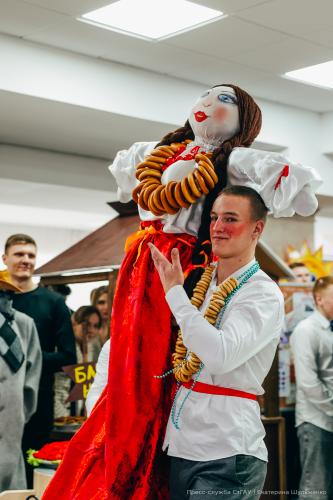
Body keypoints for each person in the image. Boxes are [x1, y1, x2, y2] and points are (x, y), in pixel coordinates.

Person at [43, 84, 320, 500]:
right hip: (143, 265)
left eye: (225, 100)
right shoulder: (159, 153)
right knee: (128, 354)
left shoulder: (240, 285)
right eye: (206, 96)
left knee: (155, 353)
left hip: (176, 269)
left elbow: (217, 351)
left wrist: (176, 291)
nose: (209, 103)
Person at [148, 186, 284, 499]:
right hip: (184, 444)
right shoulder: (207, 282)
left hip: (227, 450)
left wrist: (175, 295)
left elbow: (220, 355)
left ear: (256, 229)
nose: (218, 226)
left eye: (231, 218)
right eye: (214, 217)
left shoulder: (262, 292)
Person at [2, 233, 77, 487]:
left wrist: (24, 361)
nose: (25, 260)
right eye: (19, 254)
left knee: (32, 470)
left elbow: (68, 356)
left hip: (38, 399)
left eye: (31, 255)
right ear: (5, 258)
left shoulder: (54, 303)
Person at [290, 276, 333, 500]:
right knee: (315, 489)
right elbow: (308, 382)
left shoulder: (329, 330)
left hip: (329, 419)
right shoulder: (306, 330)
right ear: (319, 299)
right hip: (316, 421)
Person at [0, 270, 42, 492]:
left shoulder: (24, 324)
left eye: (6, 292)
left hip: (11, 421)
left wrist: (21, 411)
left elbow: (33, 372)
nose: (3, 297)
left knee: (9, 478)